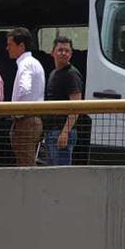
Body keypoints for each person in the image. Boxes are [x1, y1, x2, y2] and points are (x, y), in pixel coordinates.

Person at [7, 27, 45, 167]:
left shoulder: (26, 64)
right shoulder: (32, 63)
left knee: (26, 164)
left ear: (21, 45)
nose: (7, 48)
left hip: (26, 120)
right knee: (26, 161)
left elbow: (24, 89)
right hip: (32, 119)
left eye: (10, 44)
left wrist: (17, 113)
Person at [43, 36, 84, 166]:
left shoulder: (71, 75)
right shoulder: (53, 73)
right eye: (60, 50)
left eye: (67, 51)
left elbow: (76, 107)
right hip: (51, 132)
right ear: (52, 52)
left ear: (71, 54)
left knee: (61, 174)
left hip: (62, 133)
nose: (63, 53)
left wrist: (65, 132)